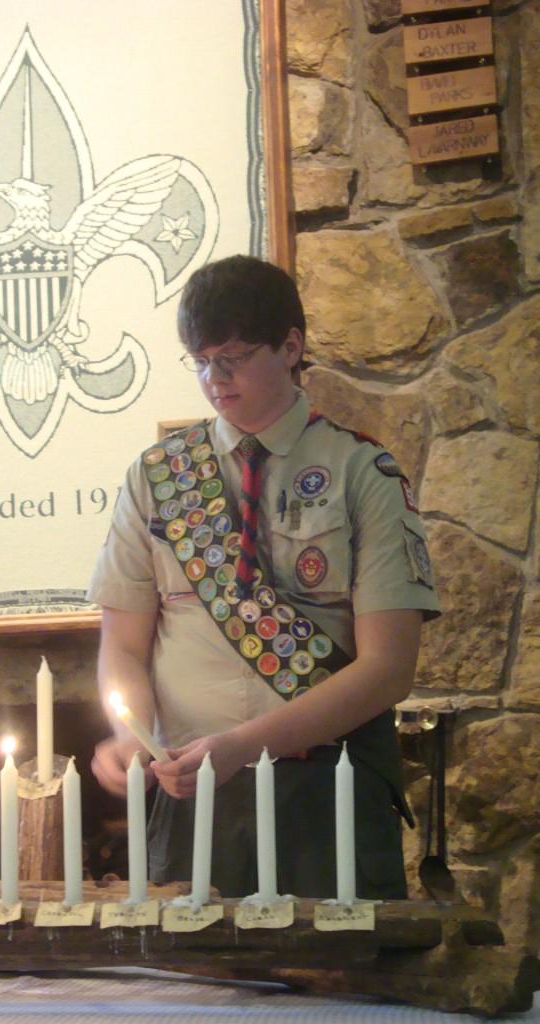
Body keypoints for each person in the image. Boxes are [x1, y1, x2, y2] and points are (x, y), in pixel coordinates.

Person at [89, 254, 440, 900]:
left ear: (291, 347)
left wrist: (244, 745)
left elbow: (390, 667)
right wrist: (130, 734)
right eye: (199, 360)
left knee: (341, 999)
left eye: (234, 357)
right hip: (194, 794)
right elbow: (125, 646)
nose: (213, 380)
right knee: (183, 1000)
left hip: (325, 790)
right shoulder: (157, 478)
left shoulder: (362, 471)